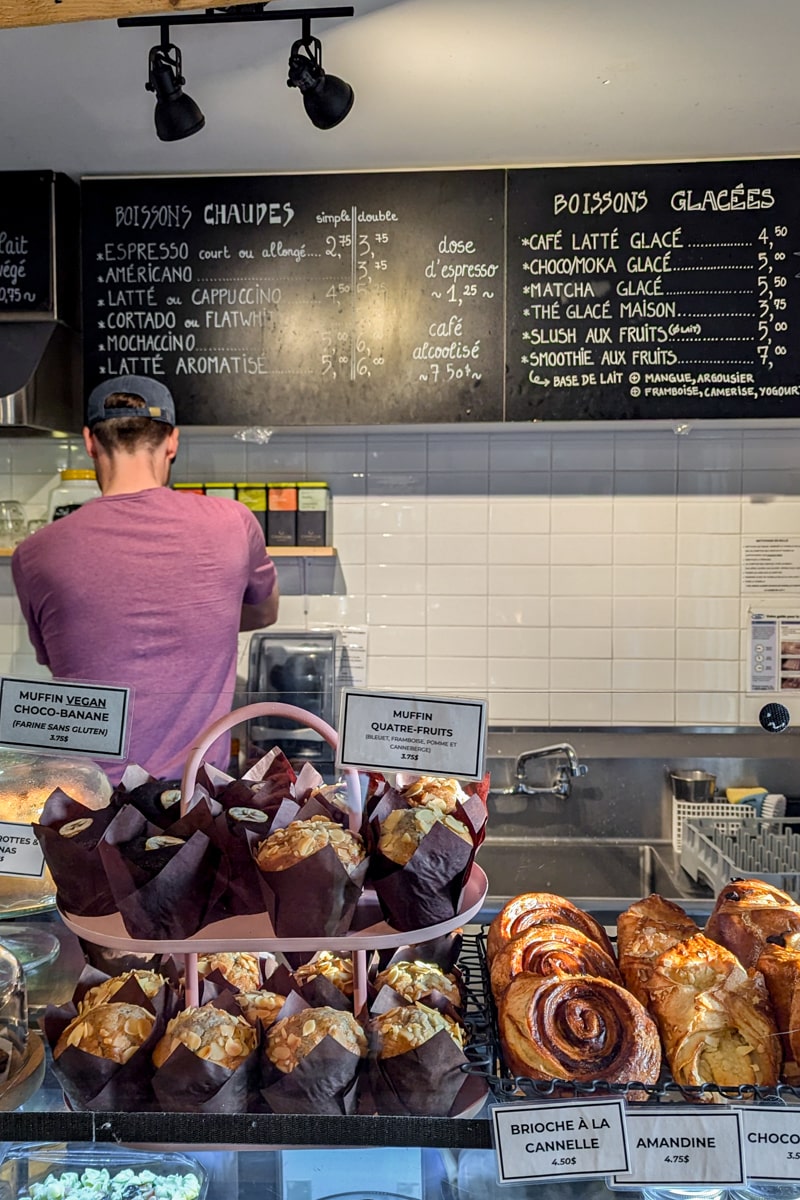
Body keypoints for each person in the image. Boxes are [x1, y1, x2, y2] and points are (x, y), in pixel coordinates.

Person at [12, 375, 279, 784]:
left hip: (84, 804)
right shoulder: (233, 522)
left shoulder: (35, 552)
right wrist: (202, 614)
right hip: (192, 804)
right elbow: (264, 612)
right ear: (171, 441)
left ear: (89, 441)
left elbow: (57, 653)